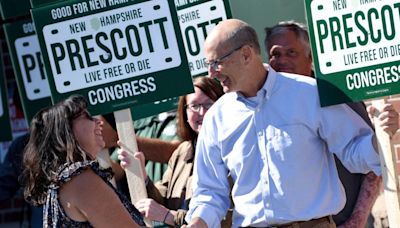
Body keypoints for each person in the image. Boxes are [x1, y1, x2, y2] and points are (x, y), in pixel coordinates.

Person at [185, 19, 382, 228]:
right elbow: (209, 191)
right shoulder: (216, 117)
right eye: (208, 65)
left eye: (216, 63)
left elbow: (355, 149)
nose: (211, 73)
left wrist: (384, 137)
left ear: (246, 54)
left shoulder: (310, 94)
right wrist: (197, 223)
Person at [264, 21, 399, 227]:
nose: (282, 60)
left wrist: (357, 218)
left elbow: (371, 160)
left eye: (291, 52)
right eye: (275, 54)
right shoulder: (265, 103)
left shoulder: (334, 95)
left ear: (310, 58)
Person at [119, 76, 232, 227]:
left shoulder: (232, 150)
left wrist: (170, 216)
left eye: (209, 104)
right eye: (195, 105)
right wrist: (143, 177)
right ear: (184, 113)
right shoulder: (183, 151)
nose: (202, 112)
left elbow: (227, 215)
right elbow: (163, 200)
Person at [20, 95, 145, 227]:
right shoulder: (80, 179)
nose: (99, 122)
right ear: (65, 130)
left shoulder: (65, 179)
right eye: (88, 117)